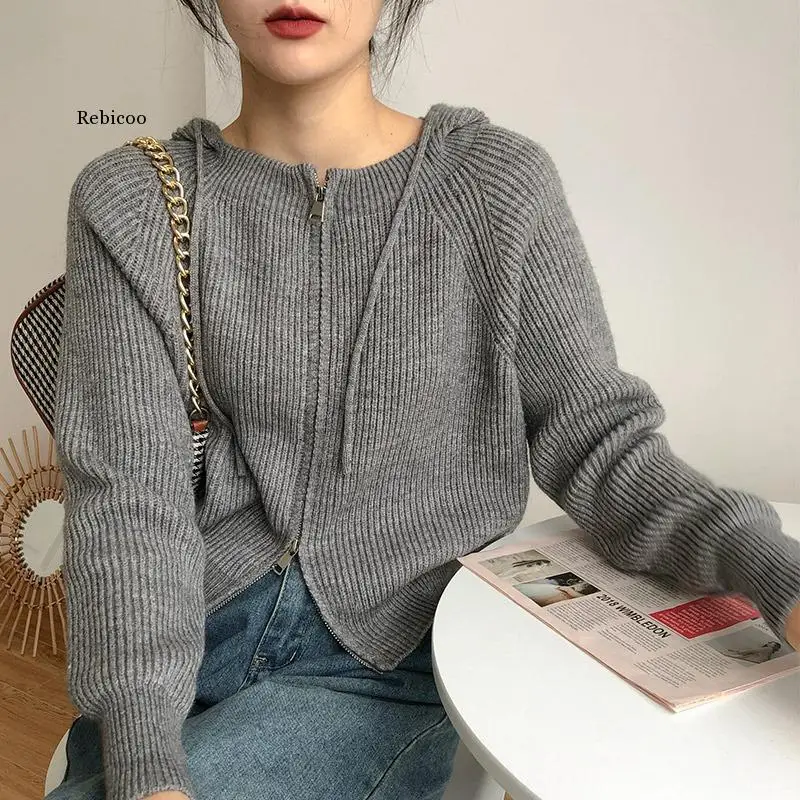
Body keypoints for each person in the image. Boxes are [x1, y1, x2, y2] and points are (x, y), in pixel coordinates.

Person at [49, 1, 800, 799]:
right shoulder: (130, 202)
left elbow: (604, 447)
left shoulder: (495, 186)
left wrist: (776, 574)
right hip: (178, 638)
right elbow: (128, 500)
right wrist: (144, 756)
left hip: (389, 661)